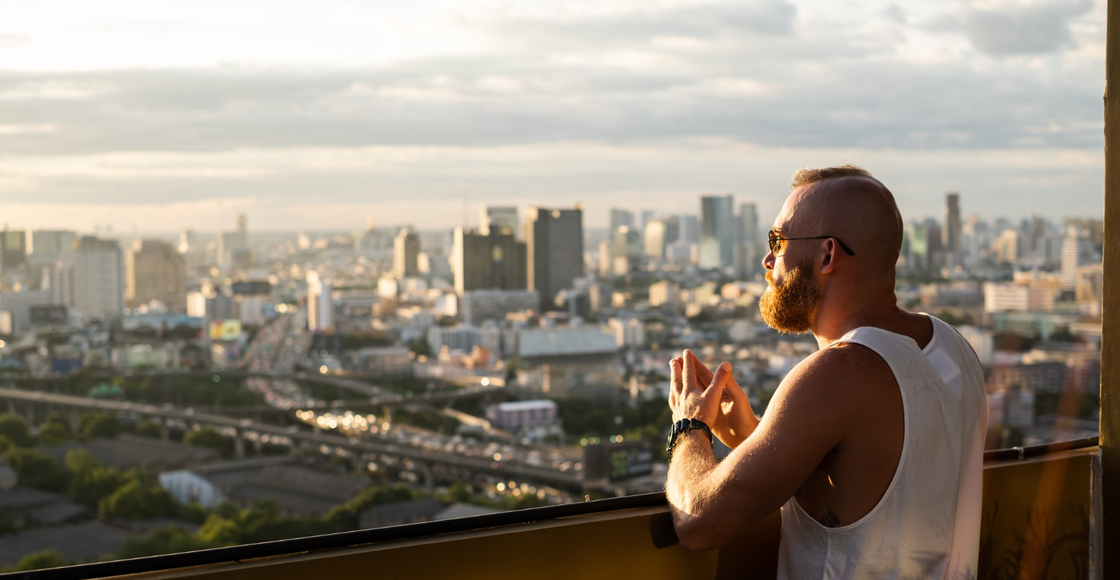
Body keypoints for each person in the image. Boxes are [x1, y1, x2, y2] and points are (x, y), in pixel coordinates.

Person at [665, 165, 988, 579]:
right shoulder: (952, 347)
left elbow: (699, 522)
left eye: (777, 241)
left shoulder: (839, 373)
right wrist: (754, 435)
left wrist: (689, 425)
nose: (767, 260)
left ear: (827, 255)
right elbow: (877, 478)